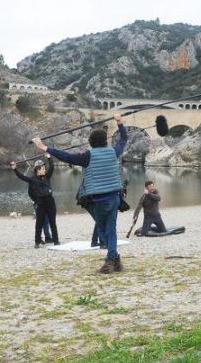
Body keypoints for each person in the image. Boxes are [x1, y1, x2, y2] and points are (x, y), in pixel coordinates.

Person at [31, 113, 128, 273]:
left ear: (91, 142)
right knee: (109, 229)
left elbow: (66, 156)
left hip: (98, 200)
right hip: (114, 197)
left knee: (104, 230)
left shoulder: (87, 157)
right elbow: (124, 139)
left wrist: (44, 147)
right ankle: (114, 258)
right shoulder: (113, 152)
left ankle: (111, 260)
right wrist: (119, 122)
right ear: (105, 141)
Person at [11, 154, 60, 248]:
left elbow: (52, 167)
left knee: (52, 222)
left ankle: (56, 241)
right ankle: (37, 242)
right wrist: (15, 169)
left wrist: (49, 158)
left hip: (50, 202)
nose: (45, 170)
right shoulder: (32, 180)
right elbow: (21, 176)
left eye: (45, 169)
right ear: (38, 170)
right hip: (40, 203)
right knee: (39, 223)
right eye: (43, 169)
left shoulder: (47, 177)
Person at [28, 160, 53, 244]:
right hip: (38, 203)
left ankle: (47, 237)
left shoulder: (45, 177)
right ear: (37, 169)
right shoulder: (32, 180)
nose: (43, 168)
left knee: (47, 220)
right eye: (41, 167)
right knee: (41, 221)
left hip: (46, 202)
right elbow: (30, 192)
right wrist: (36, 200)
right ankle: (40, 238)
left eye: (43, 167)